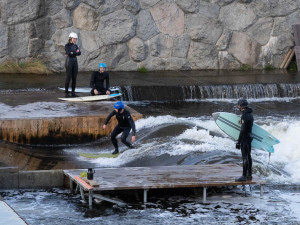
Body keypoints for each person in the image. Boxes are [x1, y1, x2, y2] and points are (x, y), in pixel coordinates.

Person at [235, 99, 254, 182]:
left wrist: (238, 142)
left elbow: (242, 130)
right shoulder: (250, 114)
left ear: (241, 106)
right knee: (249, 156)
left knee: (245, 157)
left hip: (245, 138)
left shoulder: (244, 116)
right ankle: (249, 174)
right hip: (250, 137)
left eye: (238, 105)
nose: (238, 107)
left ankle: (244, 176)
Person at [65, 32, 81, 97]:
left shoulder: (75, 46)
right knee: (68, 78)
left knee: (74, 78)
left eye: (76, 39)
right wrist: (75, 52)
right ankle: (66, 92)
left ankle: (73, 92)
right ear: (71, 38)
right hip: (69, 62)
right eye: (74, 38)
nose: (75, 40)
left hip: (75, 62)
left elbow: (79, 53)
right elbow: (68, 53)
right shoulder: (67, 45)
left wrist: (73, 53)